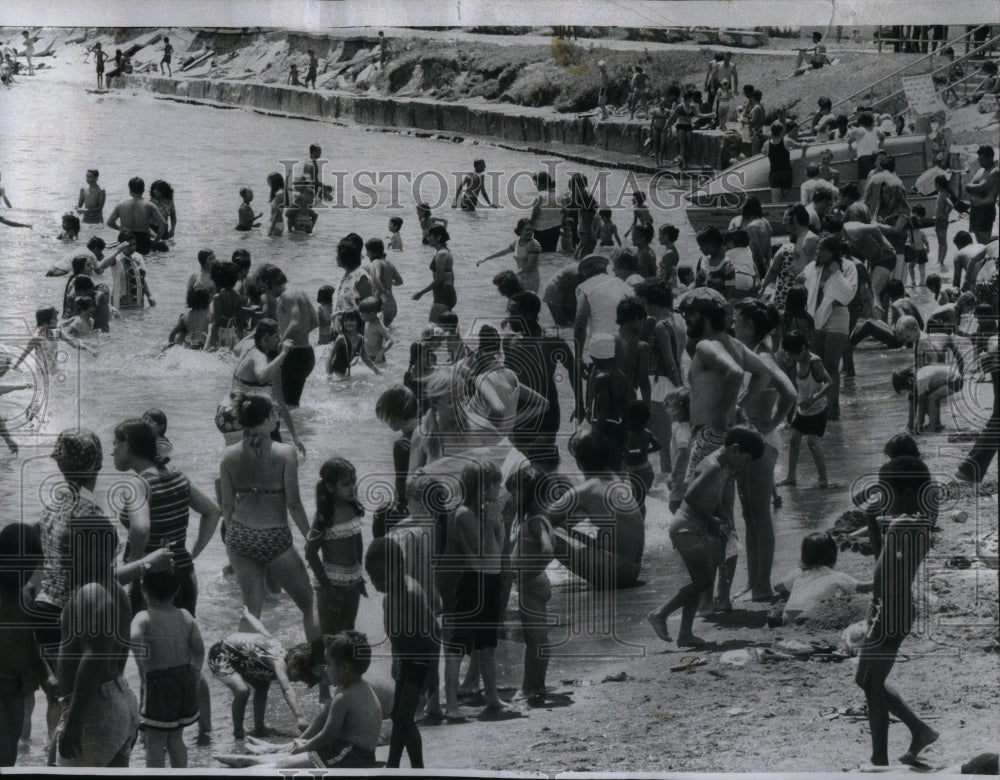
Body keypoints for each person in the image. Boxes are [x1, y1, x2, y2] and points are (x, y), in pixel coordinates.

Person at [855, 456, 939, 769]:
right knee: (865, 680)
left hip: (891, 610)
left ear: (903, 493)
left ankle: (879, 760)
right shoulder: (917, 523)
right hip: (895, 607)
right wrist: (872, 524)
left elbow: (879, 573)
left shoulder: (903, 525)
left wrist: (872, 607)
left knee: (872, 685)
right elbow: (886, 564)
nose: (881, 499)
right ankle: (920, 730)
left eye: (885, 492)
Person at [647, 427, 765, 647]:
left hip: (693, 527)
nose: (745, 466)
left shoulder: (723, 467)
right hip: (685, 528)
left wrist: (721, 517)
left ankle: (685, 634)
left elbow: (712, 499)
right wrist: (711, 521)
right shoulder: (713, 466)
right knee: (703, 581)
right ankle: (660, 614)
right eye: (746, 461)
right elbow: (690, 496)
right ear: (735, 449)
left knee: (698, 583)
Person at [219, 394, 316, 640]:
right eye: (275, 412)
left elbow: (227, 505)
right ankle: (319, 665)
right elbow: (293, 504)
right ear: (268, 417)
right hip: (274, 536)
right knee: (308, 605)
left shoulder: (228, 455)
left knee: (252, 611)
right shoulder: (285, 452)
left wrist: (233, 538)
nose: (278, 417)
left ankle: (242, 663)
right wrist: (310, 537)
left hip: (240, 535)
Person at [214, 630, 381, 769]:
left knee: (286, 764)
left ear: (344, 668)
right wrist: (300, 743)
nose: (325, 670)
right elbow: (322, 720)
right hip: (348, 751)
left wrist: (305, 748)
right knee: (295, 752)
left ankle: (249, 762)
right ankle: (277, 750)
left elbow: (327, 736)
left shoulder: (345, 697)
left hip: (352, 758)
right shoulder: (350, 687)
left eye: (329, 664)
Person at [54, 516, 141, 768]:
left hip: (93, 711)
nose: (62, 558)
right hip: (118, 697)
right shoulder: (115, 590)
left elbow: (94, 658)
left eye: (68, 551)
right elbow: (120, 654)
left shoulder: (91, 593)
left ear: (96, 553)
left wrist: (74, 722)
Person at [732, 299, 796, 601]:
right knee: (749, 514)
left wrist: (772, 423)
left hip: (762, 441)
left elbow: (791, 393)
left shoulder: (764, 357)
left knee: (759, 514)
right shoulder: (751, 355)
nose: (733, 325)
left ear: (748, 325)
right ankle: (752, 581)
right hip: (749, 439)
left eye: (736, 320)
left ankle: (763, 584)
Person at [442, 461, 510, 717]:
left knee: (487, 645)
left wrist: (496, 522)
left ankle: (492, 697)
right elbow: (479, 550)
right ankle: (450, 705)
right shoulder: (464, 514)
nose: (500, 488)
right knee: (459, 646)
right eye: (496, 483)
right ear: (482, 487)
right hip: (473, 581)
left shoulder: (485, 512)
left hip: (491, 580)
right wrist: (490, 521)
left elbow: (499, 550)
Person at [364, 536, 437, 768]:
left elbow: (435, 634)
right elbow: (395, 637)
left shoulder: (412, 594)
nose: (376, 584)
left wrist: (433, 673)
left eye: (381, 578)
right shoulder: (388, 599)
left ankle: (418, 768)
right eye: (372, 579)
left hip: (421, 661)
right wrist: (396, 660)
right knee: (397, 717)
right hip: (405, 661)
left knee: (404, 716)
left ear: (397, 568)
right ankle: (393, 765)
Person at [130, 571, 203, 767]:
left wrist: (141, 665)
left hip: (159, 682)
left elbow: (134, 637)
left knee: (155, 742)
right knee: (176, 738)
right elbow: (199, 648)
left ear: (145, 591)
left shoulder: (143, 617)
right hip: (184, 679)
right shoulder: (185, 615)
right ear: (176, 591)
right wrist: (196, 673)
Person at [207, 608, 313, 740]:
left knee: (263, 686)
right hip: (220, 656)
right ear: (293, 663)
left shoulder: (279, 648)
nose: (298, 680)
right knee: (242, 691)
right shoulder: (279, 663)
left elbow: (260, 629)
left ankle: (259, 727)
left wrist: (248, 615)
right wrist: (300, 717)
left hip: (240, 660)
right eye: (299, 676)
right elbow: (287, 690)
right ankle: (238, 731)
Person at [0, 523, 57, 767]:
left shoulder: (24, 596)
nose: (26, 576)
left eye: (31, 569)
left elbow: (28, 641)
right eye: (21, 569)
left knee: (9, 754)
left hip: (14, 691)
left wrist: (46, 676)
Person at [305, 457, 368, 639]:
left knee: (349, 632)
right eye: (346, 484)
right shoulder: (324, 517)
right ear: (331, 487)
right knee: (330, 636)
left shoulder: (352, 508)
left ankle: (346, 667)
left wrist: (359, 574)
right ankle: (324, 665)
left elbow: (358, 542)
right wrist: (328, 588)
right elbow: (310, 553)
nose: (352, 487)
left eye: (354, 482)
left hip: (353, 580)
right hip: (330, 583)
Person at [773, 532, 872, 623]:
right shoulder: (836, 576)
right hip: (810, 617)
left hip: (787, 616)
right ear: (832, 556)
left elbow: (777, 587)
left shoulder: (797, 572)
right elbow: (863, 587)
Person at [777, 330, 832, 489]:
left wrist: (813, 398)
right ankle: (791, 477)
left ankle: (823, 479)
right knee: (794, 440)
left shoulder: (815, 363)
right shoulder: (796, 360)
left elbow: (830, 383)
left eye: (793, 354)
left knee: (812, 442)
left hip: (818, 408)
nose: (791, 357)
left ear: (803, 349)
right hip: (803, 408)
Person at [263, 267, 318, 409]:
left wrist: (281, 343)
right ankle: (298, 430)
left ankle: (284, 430)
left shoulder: (286, 296)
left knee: (281, 403)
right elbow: (316, 321)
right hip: (306, 354)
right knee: (292, 404)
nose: (268, 293)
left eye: (267, 288)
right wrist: (302, 335)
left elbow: (294, 322)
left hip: (293, 356)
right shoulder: (301, 293)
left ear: (273, 282)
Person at [478, 218, 541, 293]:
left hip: (531, 280)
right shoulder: (517, 241)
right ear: (520, 230)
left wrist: (513, 274)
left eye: (531, 230)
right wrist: (486, 258)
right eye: (527, 230)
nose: (530, 232)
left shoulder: (534, 245)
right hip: (519, 277)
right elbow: (504, 252)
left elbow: (530, 266)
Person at [106, 177, 166, 255]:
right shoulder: (149, 205)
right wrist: (156, 241)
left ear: (130, 190)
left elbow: (110, 222)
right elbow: (163, 224)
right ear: (143, 190)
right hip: (143, 240)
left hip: (126, 238)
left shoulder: (121, 205)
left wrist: (121, 229)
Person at [413, 224, 457, 323]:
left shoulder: (441, 254)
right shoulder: (445, 252)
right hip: (446, 293)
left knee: (433, 329)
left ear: (438, 237)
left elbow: (440, 279)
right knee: (442, 329)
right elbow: (451, 276)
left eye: (430, 236)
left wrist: (421, 293)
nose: (427, 238)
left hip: (443, 294)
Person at [205, 260, 247, 350]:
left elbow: (216, 322)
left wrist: (212, 339)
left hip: (220, 332)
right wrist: (241, 336)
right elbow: (239, 320)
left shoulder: (218, 297)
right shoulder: (237, 296)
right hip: (231, 332)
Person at [766, 121, 807, 204]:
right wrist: (804, 145)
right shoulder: (786, 141)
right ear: (781, 132)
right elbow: (800, 145)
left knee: (775, 199)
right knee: (786, 198)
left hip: (774, 173)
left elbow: (763, 152)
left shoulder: (766, 144)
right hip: (786, 173)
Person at [965, 145, 999, 244]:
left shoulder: (995, 172)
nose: (980, 162)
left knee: (985, 242)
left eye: (982, 159)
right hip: (976, 209)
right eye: (979, 159)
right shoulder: (981, 171)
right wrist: (971, 187)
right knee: (979, 241)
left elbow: (980, 187)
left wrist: (970, 187)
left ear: (991, 158)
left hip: (986, 209)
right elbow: (971, 186)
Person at [367, 238, 403, 326]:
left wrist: (380, 291)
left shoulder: (376, 262)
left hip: (381, 303)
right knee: (385, 332)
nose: (366, 254)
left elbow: (377, 277)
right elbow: (400, 281)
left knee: (375, 333)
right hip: (392, 305)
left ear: (373, 253)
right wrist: (389, 283)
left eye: (368, 252)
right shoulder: (389, 263)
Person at [166, 285, 211, 350]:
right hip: (204, 345)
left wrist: (171, 346)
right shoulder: (209, 315)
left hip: (190, 345)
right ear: (207, 300)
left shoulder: (184, 317)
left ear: (189, 300)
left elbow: (172, 334)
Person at [848, 113, 884, 182]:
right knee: (875, 181)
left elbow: (849, 141)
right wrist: (879, 143)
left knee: (863, 181)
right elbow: (883, 136)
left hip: (863, 158)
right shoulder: (875, 130)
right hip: (875, 157)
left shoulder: (858, 130)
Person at [266, 172, 287, 237]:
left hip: (276, 224)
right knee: (275, 245)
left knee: (273, 245)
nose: (267, 183)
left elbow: (276, 213)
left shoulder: (279, 194)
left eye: (268, 181)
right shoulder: (279, 193)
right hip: (276, 223)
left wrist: (271, 230)